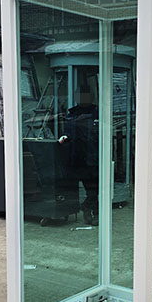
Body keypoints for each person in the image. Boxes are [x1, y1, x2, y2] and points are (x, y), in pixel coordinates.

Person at [59, 87, 99, 225]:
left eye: (85, 96)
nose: (82, 99)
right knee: (81, 189)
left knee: (94, 189)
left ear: (91, 97)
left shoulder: (97, 112)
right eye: (80, 96)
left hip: (92, 157)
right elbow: (67, 133)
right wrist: (63, 138)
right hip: (76, 158)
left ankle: (90, 209)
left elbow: (102, 132)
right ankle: (90, 210)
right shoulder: (72, 114)